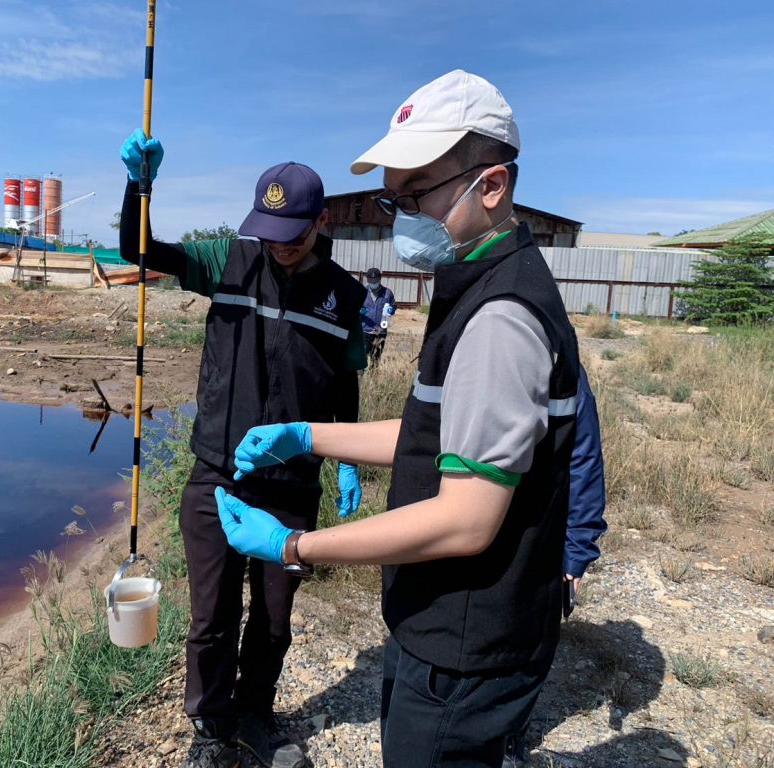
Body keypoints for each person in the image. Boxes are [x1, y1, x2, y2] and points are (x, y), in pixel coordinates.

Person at [213, 70, 582, 767]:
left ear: (492, 185)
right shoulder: (473, 282)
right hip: (440, 626)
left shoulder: (500, 318)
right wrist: (308, 435)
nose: (398, 218)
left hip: (465, 642)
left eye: (415, 196)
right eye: (393, 198)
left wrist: (294, 546)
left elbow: (466, 520)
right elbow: (432, 434)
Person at [118, 135, 368, 768]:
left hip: (292, 486)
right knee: (212, 616)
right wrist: (139, 189)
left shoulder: (346, 296)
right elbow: (138, 250)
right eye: (269, 231)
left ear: (322, 220)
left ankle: (256, 712)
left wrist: (346, 459)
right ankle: (210, 729)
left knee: (275, 620)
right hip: (218, 476)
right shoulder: (228, 260)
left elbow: (344, 384)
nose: (279, 244)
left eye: (293, 232)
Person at [504, 363, 607, 767]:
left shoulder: (563, 367)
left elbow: (584, 457)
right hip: (471, 529)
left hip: (537, 536)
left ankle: (509, 736)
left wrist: (577, 552)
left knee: (528, 643)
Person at [360, 267, 397, 365]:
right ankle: (361, 375)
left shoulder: (387, 293)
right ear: (367, 280)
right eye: (371, 281)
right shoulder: (362, 291)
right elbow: (354, 307)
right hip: (365, 330)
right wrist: (359, 311)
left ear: (380, 279)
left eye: (375, 280)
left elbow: (393, 306)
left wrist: (391, 310)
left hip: (381, 331)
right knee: (362, 359)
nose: (373, 283)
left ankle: (374, 374)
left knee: (376, 360)